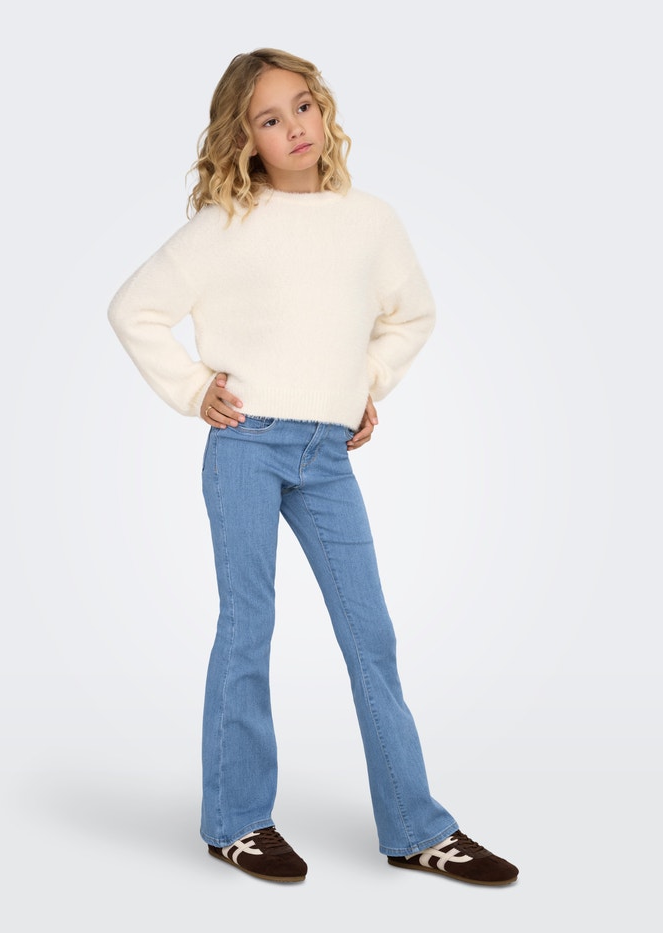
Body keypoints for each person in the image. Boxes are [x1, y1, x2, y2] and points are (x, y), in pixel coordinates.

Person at [107, 48, 518, 887]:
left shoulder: (370, 221)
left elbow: (412, 315)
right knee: (247, 625)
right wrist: (193, 389)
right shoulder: (225, 223)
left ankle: (416, 828)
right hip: (247, 445)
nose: (294, 127)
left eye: (303, 106)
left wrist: (366, 383)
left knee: (372, 634)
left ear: (324, 110)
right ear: (245, 138)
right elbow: (134, 308)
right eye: (269, 118)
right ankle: (236, 820)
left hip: (326, 456)